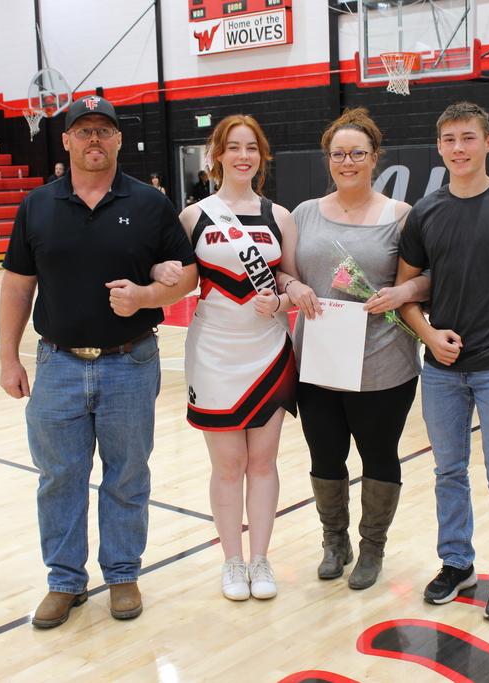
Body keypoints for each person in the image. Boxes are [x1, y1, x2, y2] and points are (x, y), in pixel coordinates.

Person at [0, 95, 197, 629]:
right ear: (65, 140)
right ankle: (64, 581)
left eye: (103, 131)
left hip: (130, 362)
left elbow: (187, 274)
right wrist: (8, 358)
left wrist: (147, 297)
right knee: (58, 477)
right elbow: (17, 287)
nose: (93, 139)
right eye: (82, 130)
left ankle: (124, 573)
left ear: (118, 140)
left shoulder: (151, 203)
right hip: (57, 365)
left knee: (127, 474)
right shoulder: (36, 205)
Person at [394, 102, 489, 622]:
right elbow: (405, 292)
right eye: (448, 140)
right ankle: (457, 563)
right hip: (441, 372)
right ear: (438, 147)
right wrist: (428, 334)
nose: (458, 148)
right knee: (448, 471)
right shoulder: (426, 211)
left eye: (467, 138)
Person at [291, 108, 429, 590]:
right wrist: (291, 287)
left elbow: (429, 279)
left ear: (375, 158)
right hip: (318, 361)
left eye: (357, 153)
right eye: (338, 154)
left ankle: (372, 548)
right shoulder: (304, 213)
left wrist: (403, 293)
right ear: (328, 159)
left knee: (379, 455)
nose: (347, 161)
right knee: (324, 456)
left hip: (383, 362)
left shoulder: (402, 216)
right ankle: (335, 541)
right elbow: (285, 272)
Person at [172, 114, 308, 602]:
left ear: (262, 155)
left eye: (252, 147)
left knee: (264, 461)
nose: (243, 156)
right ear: (217, 154)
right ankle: (232, 562)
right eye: (234, 147)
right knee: (228, 464)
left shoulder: (280, 216)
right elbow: (178, 276)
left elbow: (290, 281)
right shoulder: (193, 216)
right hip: (213, 351)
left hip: (268, 349)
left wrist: (287, 298)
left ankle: (261, 559)